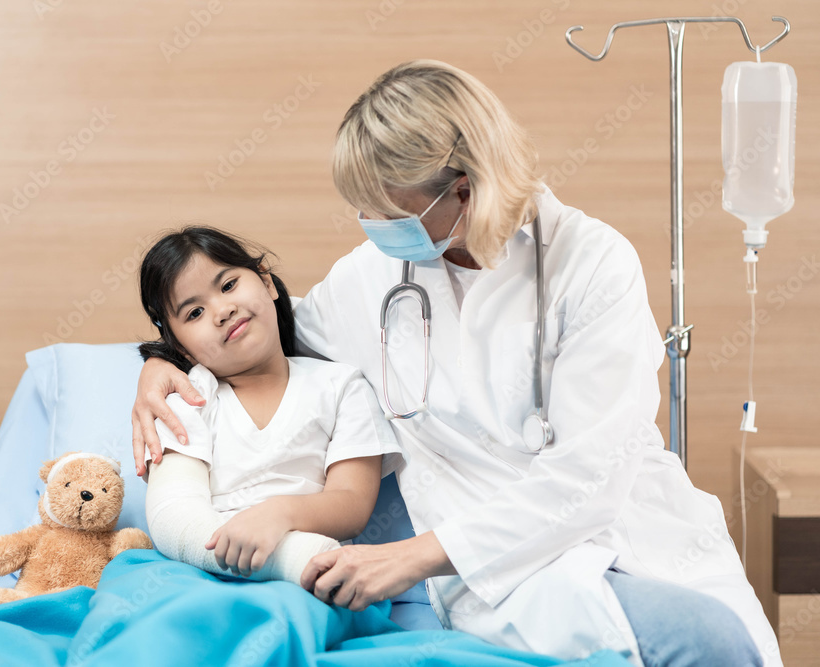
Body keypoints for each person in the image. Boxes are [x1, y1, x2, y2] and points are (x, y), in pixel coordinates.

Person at [131, 61, 780, 666]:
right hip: (483, 558)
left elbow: (589, 473)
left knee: (716, 636)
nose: (369, 224)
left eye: (387, 209)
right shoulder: (375, 277)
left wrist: (410, 558)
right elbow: (262, 326)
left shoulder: (593, 264)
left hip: (608, 522)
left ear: (462, 191)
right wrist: (158, 361)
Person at [136, 225, 404, 583]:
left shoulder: (341, 386)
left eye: (228, 285)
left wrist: (277, 515)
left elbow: (352, 503)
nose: (222, 310)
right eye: (194, 313)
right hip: (197, 576)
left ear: (266, 282)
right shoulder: (187, 399)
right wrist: (280, 556)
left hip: (308, 575)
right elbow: (173, 518)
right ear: (180, 347)